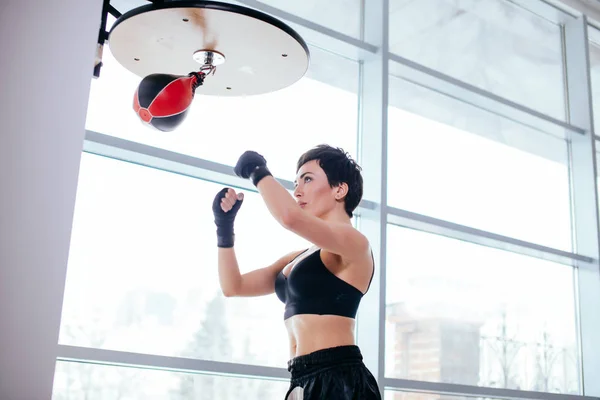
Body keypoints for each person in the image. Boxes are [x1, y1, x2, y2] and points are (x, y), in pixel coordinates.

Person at [212, 145, 381, 399]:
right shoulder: (299, 257)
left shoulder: (355, 243)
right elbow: (233, 286)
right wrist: (224, 227)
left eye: (308, 179)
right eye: (295, 182)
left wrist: (258, 171)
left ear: (340, 189)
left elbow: (289, 217)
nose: (297, 190)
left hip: (340, 377)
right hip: (300, 378)